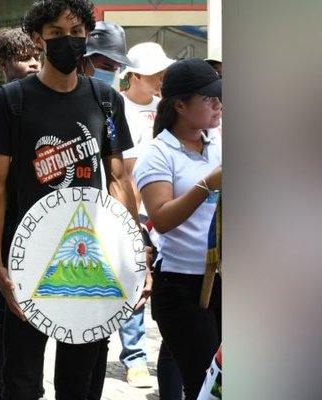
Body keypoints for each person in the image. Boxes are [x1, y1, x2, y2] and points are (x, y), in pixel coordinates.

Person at [0, 1, 148, 399]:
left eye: (76, 32)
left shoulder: (107, 100)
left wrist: (137, 256)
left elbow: (119, 180)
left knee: (80, 383)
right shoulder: (11, 101)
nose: (69, 41)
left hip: (88, 259)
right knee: (20, 383)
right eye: (57, 33)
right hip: (26, 261)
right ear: (38, 39)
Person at [133, 57, 222, 400]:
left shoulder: (217, 145)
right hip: (182, 287)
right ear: (180, 105)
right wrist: (208, 184)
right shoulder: (157, 154)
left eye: (219, 98)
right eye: (208, 99)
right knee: (206, 387)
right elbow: (162, 218)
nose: (218, 105)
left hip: (225, 281)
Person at [117, 40, 178, 391]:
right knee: (136, 281)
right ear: (135, 75)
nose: (160, 78)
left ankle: (164, 354)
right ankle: (135, 357)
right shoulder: (117, 107)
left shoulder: (166, 108)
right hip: (133, 210)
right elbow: (120, 169)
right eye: (154, 72)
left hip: (165, 209)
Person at [0, 26, 42, 400]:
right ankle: (3, 388)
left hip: (44, 226)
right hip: (3, 224)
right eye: (24, 57)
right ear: (4, 63)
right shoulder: (1, 101)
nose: (34, 62)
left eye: (37, 54)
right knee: (2, 312)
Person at [78, 20, 133, 87]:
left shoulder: (107, 96)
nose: (110, 75)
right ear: (83, 60)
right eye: (106, 67)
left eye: (115, 70)